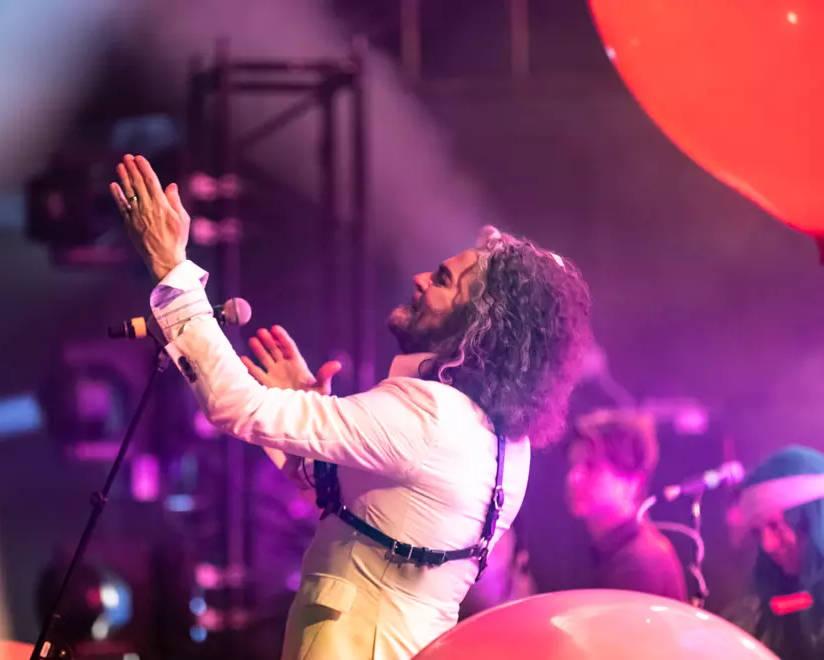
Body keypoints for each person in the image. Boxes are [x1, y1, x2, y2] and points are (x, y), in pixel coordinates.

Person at [110, 154, 592, 660]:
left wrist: (172, 271)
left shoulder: (427, 415)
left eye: (444, 281)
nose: (422, 278)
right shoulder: (507, 447)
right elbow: (375, 511)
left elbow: (236, 404)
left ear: (478, 330)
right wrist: (309, 409)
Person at [564, 409, 687, 600]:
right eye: (573, 465)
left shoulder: (642, 564)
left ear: (634, 480)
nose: (573, 477)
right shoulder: (613, 552)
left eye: (590, 465)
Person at [727, 446, 824, 660]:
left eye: (776, 526)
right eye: (757, 532)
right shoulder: (768, 597)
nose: (767, 545)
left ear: (815, 520)